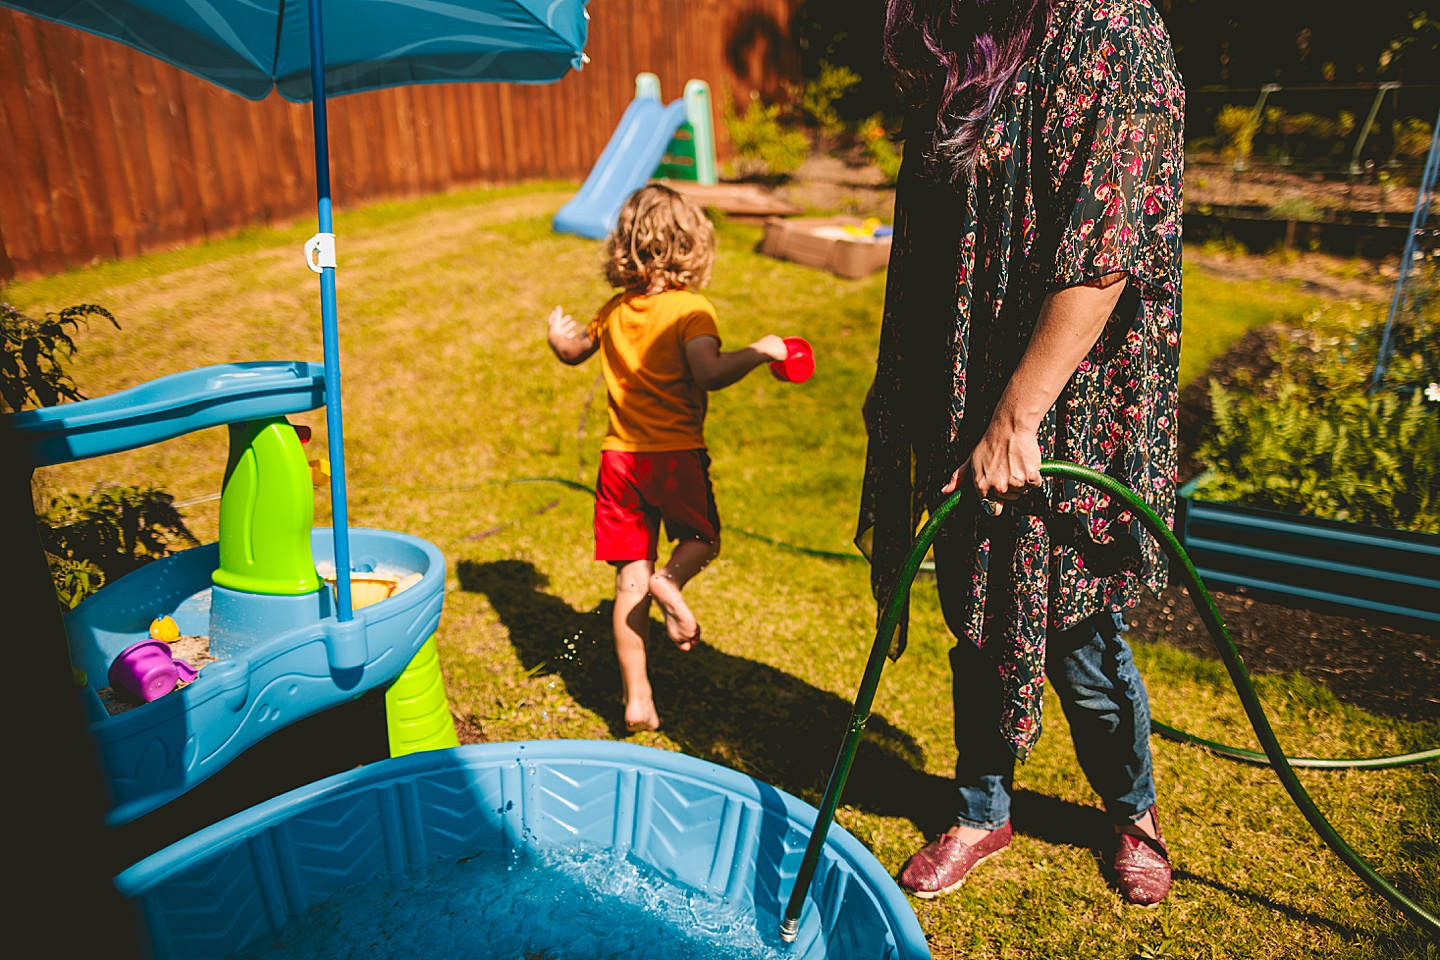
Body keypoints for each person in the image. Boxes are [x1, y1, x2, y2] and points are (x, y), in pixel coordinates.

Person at [857, 0, 1184, 906]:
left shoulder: (1112, 29)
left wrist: (1016, 418)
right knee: (975, 609)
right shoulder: (976, 38)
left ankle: (1132, 813)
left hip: (1068, 404)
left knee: (1075, 625)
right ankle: (980, 808)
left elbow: (1103, 250)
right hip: (969, 390)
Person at [547, 184, 789, 733]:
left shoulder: (613, 310)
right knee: (702, 539)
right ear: (691, 246)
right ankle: (673, 582)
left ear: (625, 248)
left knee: (629, 582)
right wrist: (761, 351)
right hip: (675, 456)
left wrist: (556, 338)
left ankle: (637, 699)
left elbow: (573, 352)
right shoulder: (692, 310)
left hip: (619, 463)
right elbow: (709, 372)